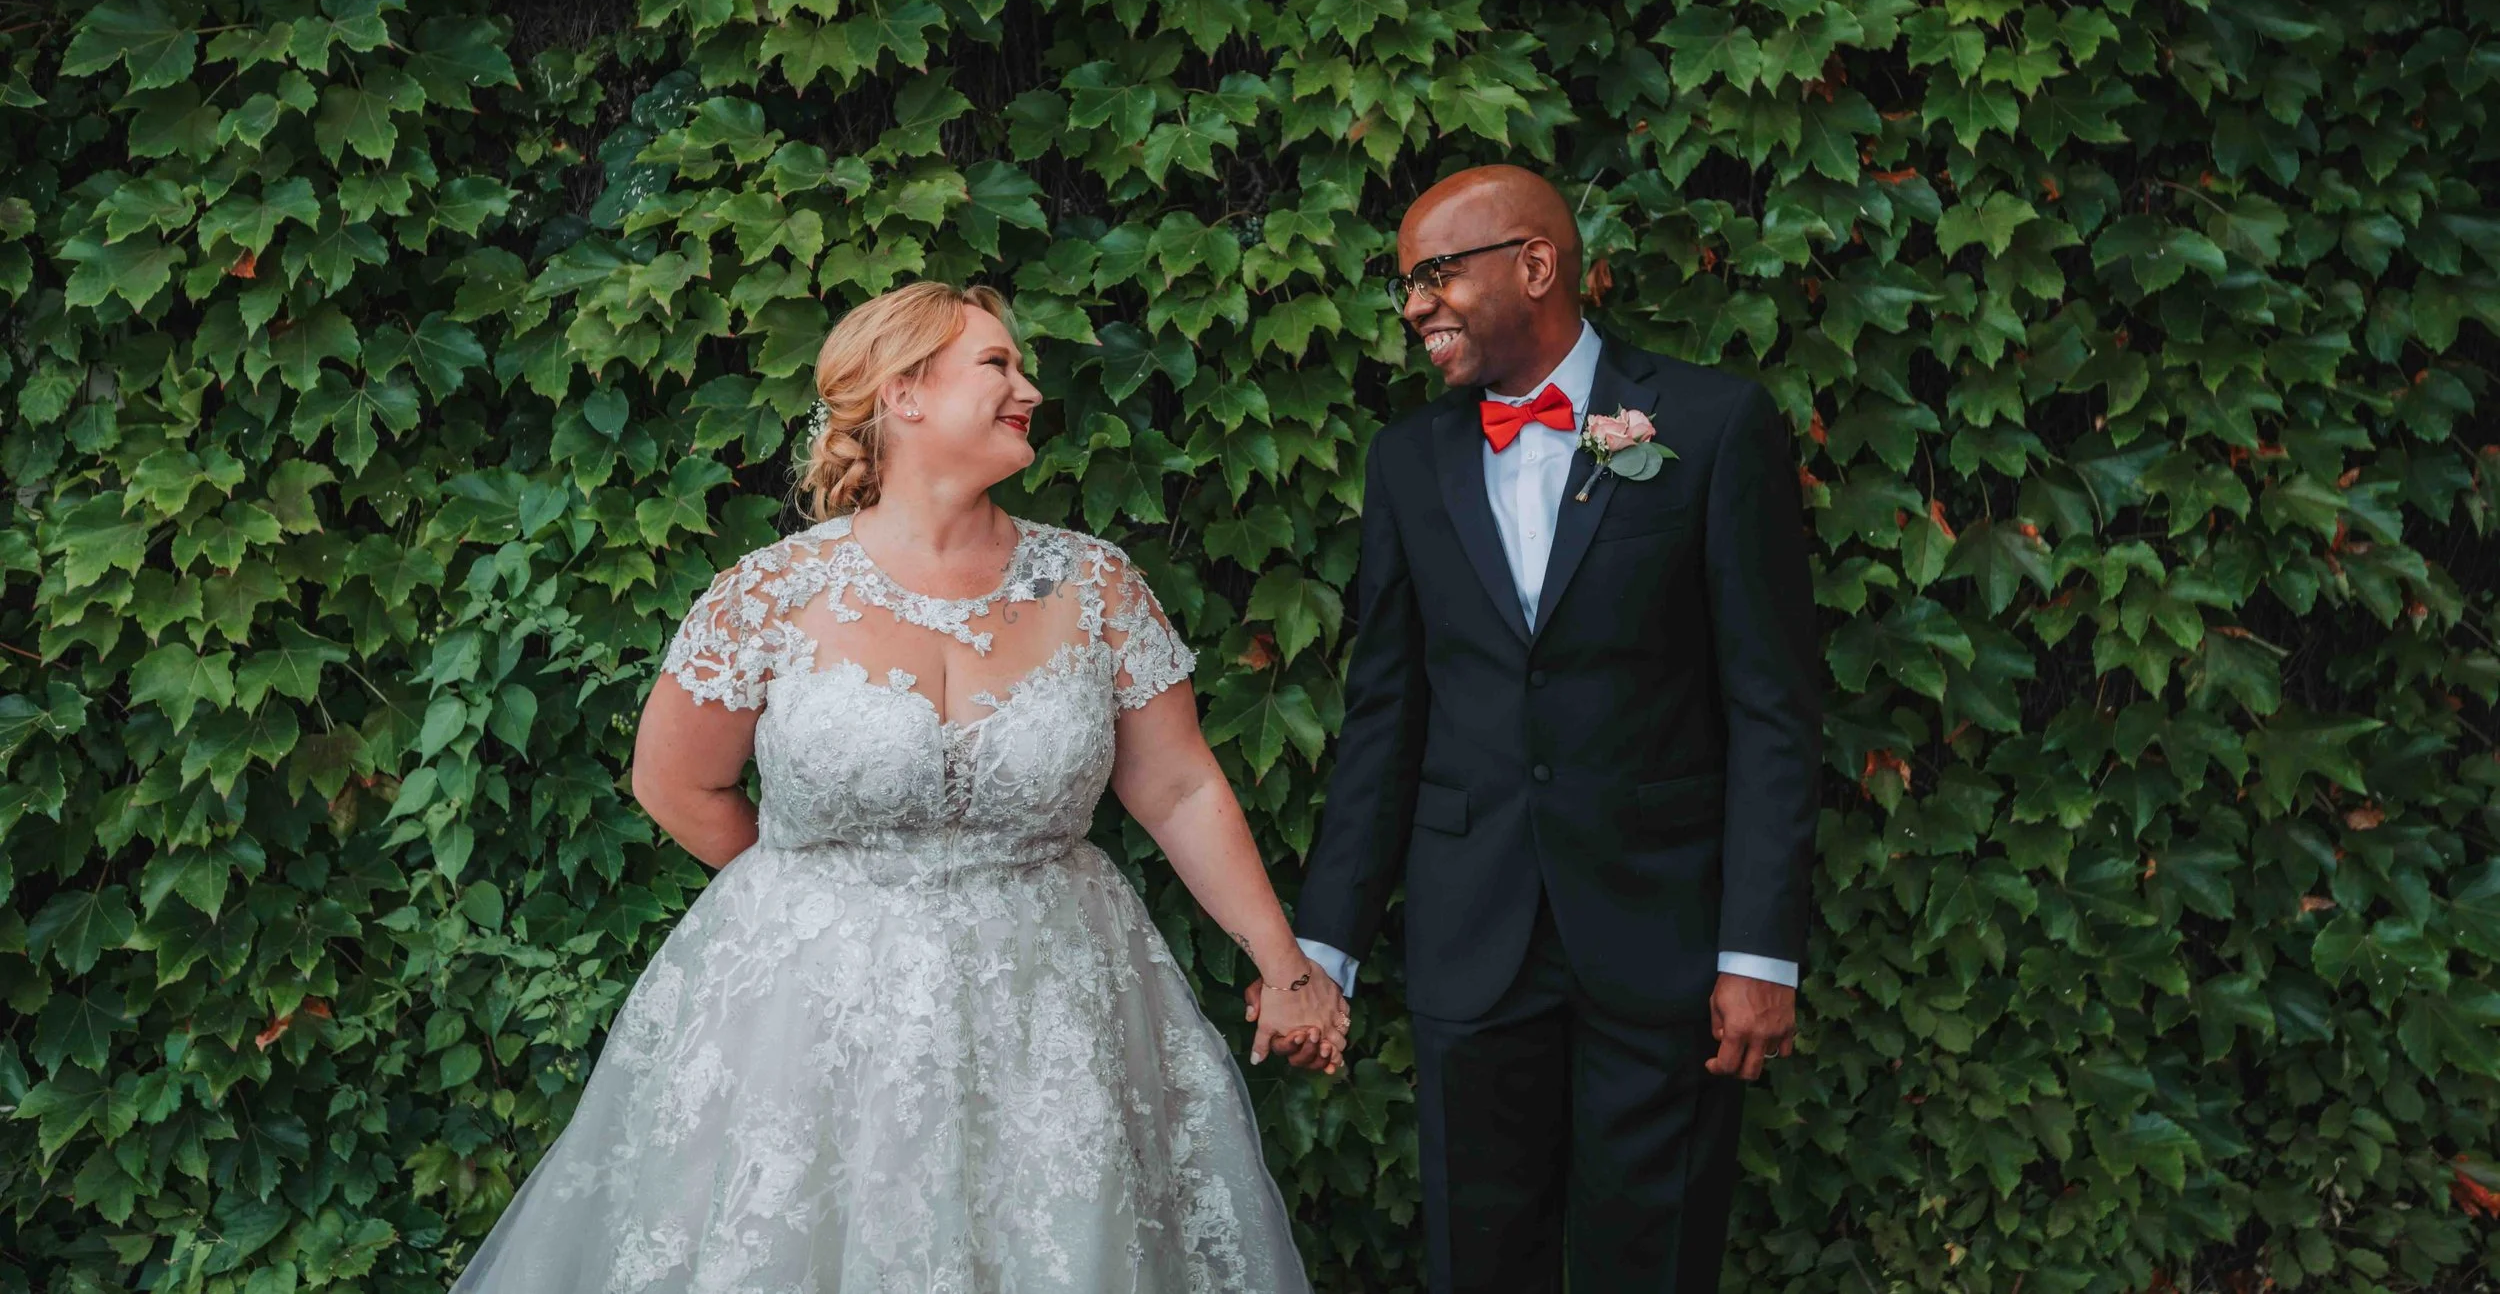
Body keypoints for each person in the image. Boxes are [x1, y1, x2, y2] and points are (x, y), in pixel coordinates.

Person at [451, 280, 1345, 1294]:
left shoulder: (1096, 585)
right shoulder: (771, 591)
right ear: (903, 394)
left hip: (1048, 1002)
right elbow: (674, 782)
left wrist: (1285, 964)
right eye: (998, 364)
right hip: (809, 1019)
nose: (1030, 388)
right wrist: (812, 908)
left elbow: (1180, 787)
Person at [1273, 164, 1823, 1294]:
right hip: (1471, 938)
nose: (1413, 305)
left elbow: (1770, 706)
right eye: (1402, 285)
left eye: (1434, 274)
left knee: (1655, 1263)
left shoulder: (1712, 426)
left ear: (1535, 264)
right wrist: (1320, 947)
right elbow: (1385, 715)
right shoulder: (1408, 461)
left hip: (1662, 940)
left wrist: (1757, 948)